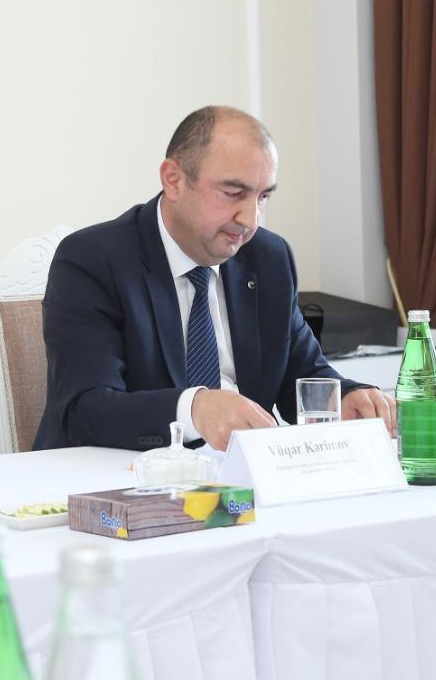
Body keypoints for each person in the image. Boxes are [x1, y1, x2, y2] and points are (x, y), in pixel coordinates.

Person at [34, 105, 395, 452]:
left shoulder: (269, 258)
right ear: (174, 180)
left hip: (237, 475)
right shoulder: (93, 260)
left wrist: (347, 398)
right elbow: (86, 409)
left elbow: (298, 373)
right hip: (115, 475)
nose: (250, 220)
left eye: (263, 197)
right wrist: (195, 409)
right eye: (234, 194)